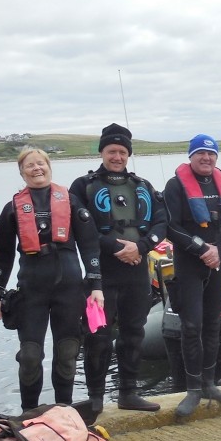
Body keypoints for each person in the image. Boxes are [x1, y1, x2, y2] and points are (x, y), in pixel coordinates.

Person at [0, 148, 104, 411]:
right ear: (21, 172)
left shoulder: (72, 202)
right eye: (29, 165)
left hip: (70, 289)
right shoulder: (12, 208)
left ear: (49, 167)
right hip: (31, 291)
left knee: (67, 352)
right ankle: (29, 413)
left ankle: (63, 411)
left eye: (41, 163)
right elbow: (2, 254)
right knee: (30, 356)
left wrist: (96, 285)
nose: (36, 168)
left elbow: (89, 246)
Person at [69, 123, 167, 423]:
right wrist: (115, 247)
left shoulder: (143, 186)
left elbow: (162, 221)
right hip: (100, 275)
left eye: (122, 151)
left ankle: (127, 392)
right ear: (102, 152)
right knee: (97, 336)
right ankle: (96, 397)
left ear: (128, 154)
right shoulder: (82, 186)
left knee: (133, 333)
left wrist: (142, 247)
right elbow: (78, 228)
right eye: (112, 151)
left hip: (137, 270)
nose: (117, 156)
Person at [164, 134, 221, 416]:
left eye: (211, 155)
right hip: (190, 265)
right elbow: (170, 226)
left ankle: (209, 383)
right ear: (191, 156)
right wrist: (201, 249)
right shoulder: (175, 186)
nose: (206, 159)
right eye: (200, 154)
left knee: (213, 325)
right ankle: (193, 390)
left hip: (216, 263)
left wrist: (220, 250)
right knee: (192, 327)